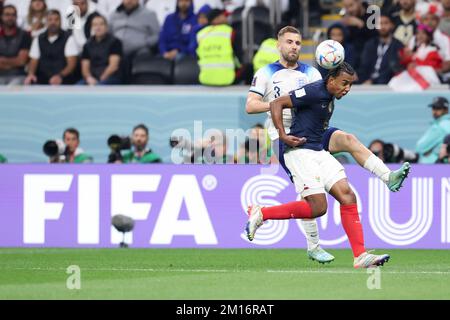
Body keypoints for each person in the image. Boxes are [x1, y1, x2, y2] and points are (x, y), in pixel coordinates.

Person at [246, 25, 411, 263]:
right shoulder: (266, 73)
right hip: (288, 138)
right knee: (313, 202)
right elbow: (251, 106)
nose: (294, 46)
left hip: (313, 135)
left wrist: (306, 101)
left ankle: (386, 181)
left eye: (298, 43)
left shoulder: (312, 74)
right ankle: (310, 243)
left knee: (348, 147)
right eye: (289, 42)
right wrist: (287, 105)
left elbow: (323, 94)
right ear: (278, 45)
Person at [24, 9, 79, 85]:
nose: (53, 22)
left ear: (60, 22)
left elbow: (71, 64)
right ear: (46, 22)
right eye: (50, 20)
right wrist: (31, 74)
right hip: (42, 79)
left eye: (56, 20)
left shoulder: (69, 38)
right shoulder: (38, 38)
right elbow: (33, 61)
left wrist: (60, 76)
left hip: (63, 79)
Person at [357, 14, 404, 84]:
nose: (383, 27)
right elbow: (364, 66)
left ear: (392, 25)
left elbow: (392, 69)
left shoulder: (398, 45)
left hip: (387, 84)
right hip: (367, 82)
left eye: (386, 23)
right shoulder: (370, 44)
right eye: (380, 23)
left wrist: (373, 81)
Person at [196, 8, 237, 86]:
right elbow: (237, 56)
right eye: (224, 16)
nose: (226, 18)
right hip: (228, 79)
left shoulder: (200, 34)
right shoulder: (229, 31)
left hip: (205, 79)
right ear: (215, 19)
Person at [79, 15, 122, 85]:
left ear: (106, 27)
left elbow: (113, 66)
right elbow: (85, 68)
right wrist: (89, 78)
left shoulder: (115, 42)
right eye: (95, 25)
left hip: (110, 77)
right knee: (77, 87)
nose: (98, 27)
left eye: (101, 24)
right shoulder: (87, 45)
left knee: (100, 86)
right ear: (92, 28)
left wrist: (100, 80)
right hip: (92, 78)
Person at [0, 5, 32, 85]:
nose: (10, 17)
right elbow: (17, 61)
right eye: (7, 15)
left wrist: (3, 61)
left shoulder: (24, 35)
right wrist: (13, 61)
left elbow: (21, 61)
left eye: (13, 15)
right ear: (1, 16)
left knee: (13, 87)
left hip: (18, 75)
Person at [416, 96, 450, 163]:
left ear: (446, 110)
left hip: (435, 168)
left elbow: (419, 148)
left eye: (438, 108)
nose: (435, 111)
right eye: (433, 108)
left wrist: (430, 151)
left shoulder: (439, 126)